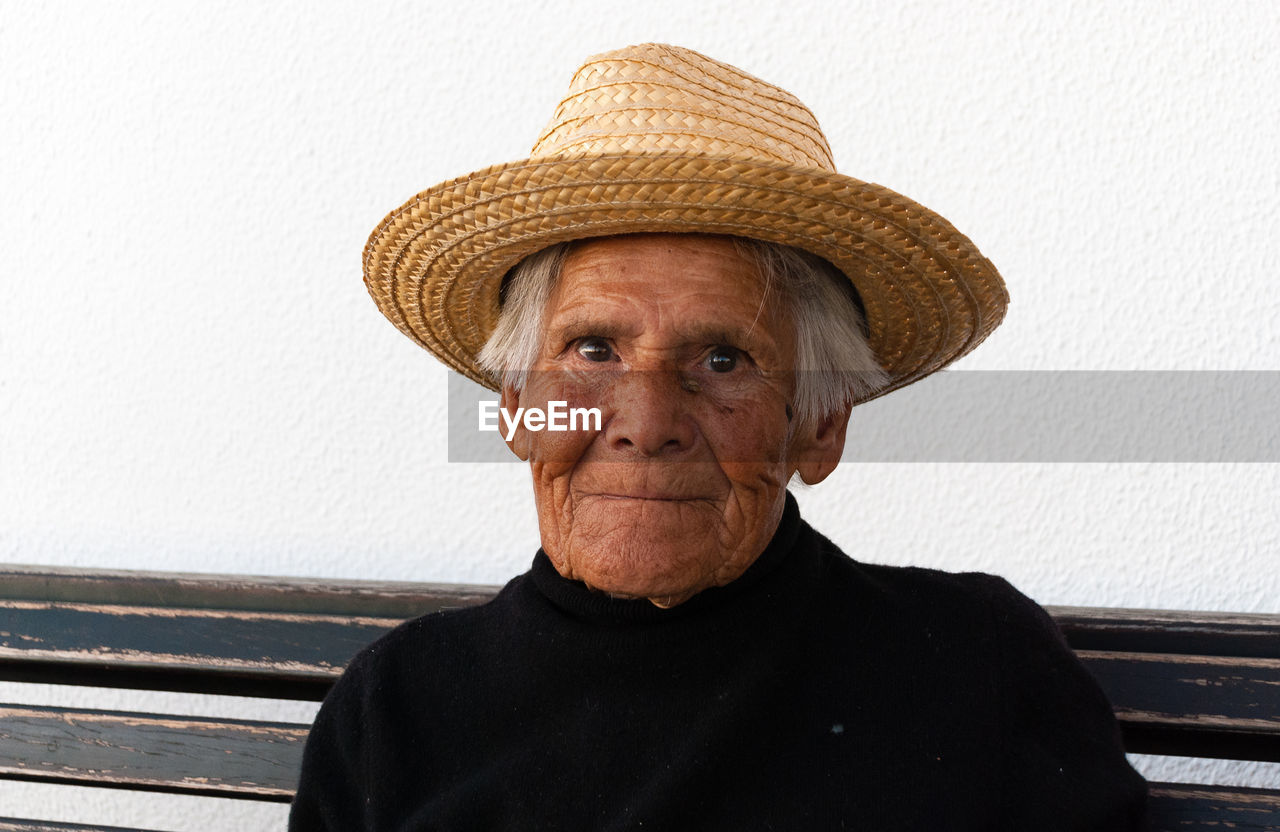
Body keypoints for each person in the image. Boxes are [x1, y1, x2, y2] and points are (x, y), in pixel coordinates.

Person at [290, 43, 1148, 830]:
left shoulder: (971, 661)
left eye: (725, 358)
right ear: (517, 406)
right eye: (593, 349)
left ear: (819, 423)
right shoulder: (397, 704)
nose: (648, 424)